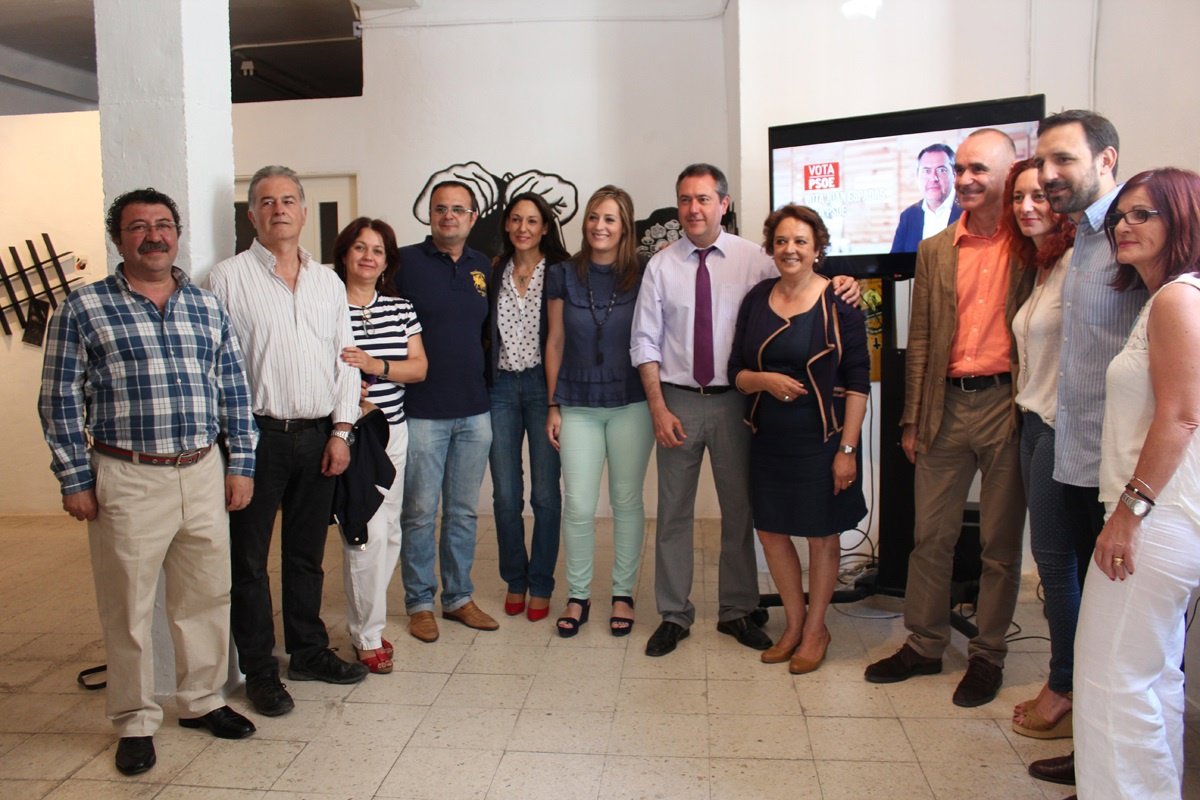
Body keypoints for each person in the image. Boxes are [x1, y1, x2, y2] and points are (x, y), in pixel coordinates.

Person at [39, 188, 258, 775]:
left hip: (203, 471)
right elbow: (59, 401)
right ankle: (135, 720)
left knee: (206, 596)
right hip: (128, 476)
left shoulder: (207, 307)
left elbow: (234, 391)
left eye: (163, 225)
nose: (153, 236)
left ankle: (202, 700)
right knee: (128, 608)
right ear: (119, 239)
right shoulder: (83, 307)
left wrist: (241, 464)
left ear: (177, 235)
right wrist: (74, 478)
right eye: (138, 227)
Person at [630, 163, 861, 658]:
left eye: (703, 199)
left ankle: (737, 609)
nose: (694, 209)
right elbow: (645, 340)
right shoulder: (660, 266)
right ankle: (673, 613)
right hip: (676, 400)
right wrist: (657, 406)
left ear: (724, 204)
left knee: (740, 511)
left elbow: (801, 280)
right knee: (673, 513)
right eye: (685, 199)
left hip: (738, 403)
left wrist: (845, 280)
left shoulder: (754, 258)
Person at [865, 129, 1032, 708]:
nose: (963, 179)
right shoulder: (936, 248)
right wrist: (912, 419)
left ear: (1010, 173)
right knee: (929, 536)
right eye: (959, 169)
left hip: (1008, 406)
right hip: (945, 406)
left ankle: (988, 655)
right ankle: (925, 644)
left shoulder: (1030, 245)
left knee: (999, 545)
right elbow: (920, 339)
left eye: (977, 169)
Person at [207, 166, 367, 717]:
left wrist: (342, 431)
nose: (279, 209)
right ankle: (258, 670)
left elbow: (345, 362)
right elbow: (219, 370)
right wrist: (236, 450)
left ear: (302, 210)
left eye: (288, 200)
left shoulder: (327, 282)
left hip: (319, 435)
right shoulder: (227, 279)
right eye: (267, 201)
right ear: (251, 214)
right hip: (257, 439)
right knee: (248, 561)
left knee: (306, 555)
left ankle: (308, 651)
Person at [1026, 109, 1145, 788]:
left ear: (1106, 159)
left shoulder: (1135, 236)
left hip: (1125, 472)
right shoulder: (1079, 241)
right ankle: (1095, 754)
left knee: (1127, 628)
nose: (1048, 174)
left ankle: (1119, 768)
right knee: (1092, 613)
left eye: (1063, 159)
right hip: (1074, 455)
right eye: (1042, 161)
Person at [1073, 167, 1200, 799]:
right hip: (1165, 517)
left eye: (1144, 214)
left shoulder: (1178, 298)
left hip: (1156, 518)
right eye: (1122, 215)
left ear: (1183, 220)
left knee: (1110, 682)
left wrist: (1129, 512)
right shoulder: (1170, 297)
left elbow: (1181, 416)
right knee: (1152, 679)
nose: (1125, 224)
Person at [728, 204, 869, 674]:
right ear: (771, 248)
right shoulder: (756, 299)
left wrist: (847, 450)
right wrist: (763, 381)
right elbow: (736, 371)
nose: (790, 249)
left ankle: (816, 630)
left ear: (817, 249)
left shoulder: (840, 301)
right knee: (771, 531)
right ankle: (793, 624)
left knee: (821, 536)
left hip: (822, 439)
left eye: (801, 241)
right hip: (769, 438)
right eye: (782, 241)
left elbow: (858, 382)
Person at [544, 185, 653, 637]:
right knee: (578, 504)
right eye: (593, 217)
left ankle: (623, 594)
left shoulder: (645, 272)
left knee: (627, 501)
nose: (599, 226)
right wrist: (553, 404)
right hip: (576, 403)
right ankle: (578, 595)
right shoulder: (562, 273)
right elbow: (554, 341)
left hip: (632, 403)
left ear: (624, 227)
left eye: (609, 218)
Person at [394, 180, 498, 643]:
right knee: (419, 512)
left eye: (458, 209)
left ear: (472, 218)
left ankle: (458, 598)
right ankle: (419, 602)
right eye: (441, 209)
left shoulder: (483, 266)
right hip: (422, 411)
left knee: (462, 512)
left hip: (475, 410)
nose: (449, 216)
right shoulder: (404, 263)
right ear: (430, 215)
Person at [1001, 159, 1077, 740]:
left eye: (1040, 196)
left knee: (1056, 565)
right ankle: (1068, 678)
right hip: (1031, 421)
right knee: (1053, 564)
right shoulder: (1041, 268)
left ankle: (1065, 686)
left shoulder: (1081, 265)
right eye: (1018, 198)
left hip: (1058, 427)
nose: (1027, 207)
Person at [332, 217, 427, 673]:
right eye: (360, 248)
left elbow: (419, 368)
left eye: (377, 250)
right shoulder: (328, 305)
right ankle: (367, 635)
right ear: (344, 254)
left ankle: (368, 621)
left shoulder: (400, 308)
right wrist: (349, 391)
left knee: (390, 531)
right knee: (364, 534)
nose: (368, 257)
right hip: (354, 434)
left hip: (395, 432)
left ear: (387, 261)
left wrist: (375, 365)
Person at [487, 192, 570, 623]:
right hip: (500, 387)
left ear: (545, 227)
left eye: (532, 221)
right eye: (516, 219)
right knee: (505, 493)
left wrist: (557, 399)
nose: (523, 228)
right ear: (506, 224)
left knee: (545, 494)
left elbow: (562, 337)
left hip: (543, 385)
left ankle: (541, 583)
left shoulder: (560, 271)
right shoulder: (493, 270)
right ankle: (514, 579)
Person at [890, 143, 964, 253]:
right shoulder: (908, 216)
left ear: (954, 175)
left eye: (941, 170)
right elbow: (894, 261)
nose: (933, 178)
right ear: (917, 176)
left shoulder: (971, 212)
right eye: (927, 171)